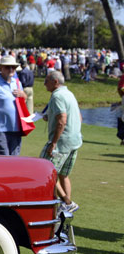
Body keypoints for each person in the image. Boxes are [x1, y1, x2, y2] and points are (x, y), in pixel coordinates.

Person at [40, 71, 83, 212]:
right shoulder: (69, 93)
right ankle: (65, 207)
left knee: (46, 171)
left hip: (62, 142)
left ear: (55, 82)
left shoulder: (57, 96)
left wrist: (53, 143)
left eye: (47, 80)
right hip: (74, 140)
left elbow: (62, 120)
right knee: (63, 174)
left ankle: (67, 202)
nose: (45, 83)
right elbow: (78, 117)